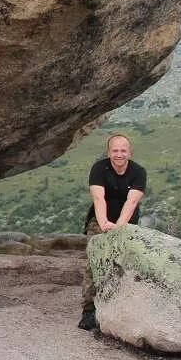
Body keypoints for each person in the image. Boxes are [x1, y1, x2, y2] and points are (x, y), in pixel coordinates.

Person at [78, 133, 146, 331]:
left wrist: (118, 226)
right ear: (109, 152)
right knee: (94, 264)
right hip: (100, 220)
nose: (119, 154)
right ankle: (88, 311)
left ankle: (121, 308)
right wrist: (104, 223)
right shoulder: (99, 169)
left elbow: (131, 201)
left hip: (127, 223)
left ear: (130, 152)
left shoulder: (138, 172)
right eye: (115, 150)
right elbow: (99, 199)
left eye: (123, 150)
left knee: (125, 265)